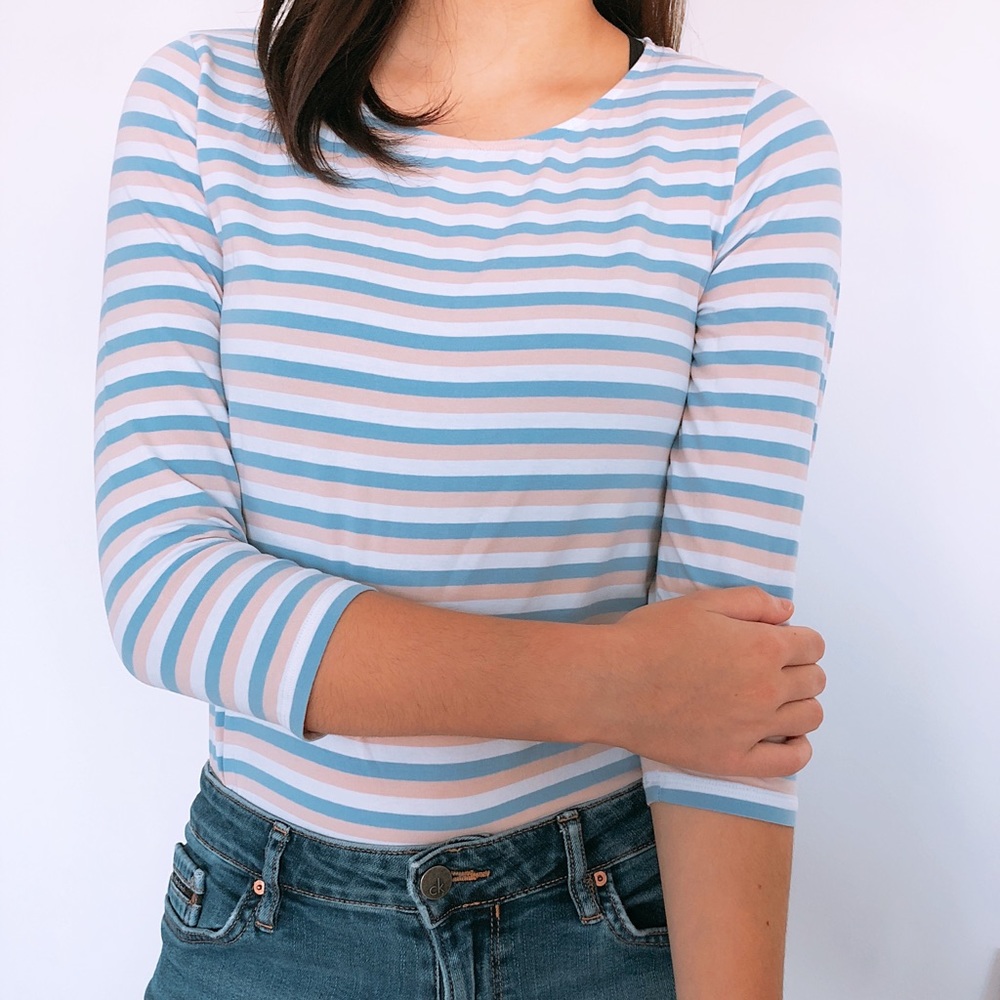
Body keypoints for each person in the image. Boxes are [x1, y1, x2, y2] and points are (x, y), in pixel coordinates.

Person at [93, 0, 840, 997]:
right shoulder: (202, 103)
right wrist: (615, 685)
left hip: (604, 920)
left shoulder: (747, 149)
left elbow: (724, 694)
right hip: (268, 925)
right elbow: (165, 594)